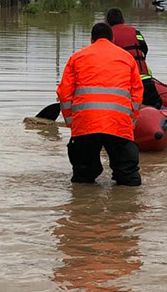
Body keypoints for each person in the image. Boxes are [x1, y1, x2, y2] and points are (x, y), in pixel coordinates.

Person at [57, 22, 144, 186]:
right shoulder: (127, 58)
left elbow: (64, 92)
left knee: (83, 176)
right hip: (118, 123)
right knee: (128, 177)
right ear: (113, 39)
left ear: (91, 39)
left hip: (86, 123)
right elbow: (137, 93)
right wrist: (130, 121)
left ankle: (83, 206)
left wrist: (71, 122)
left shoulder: (77, 57)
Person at [105, 8, 161, 108]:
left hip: (125, 82)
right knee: (156, 105)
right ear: (123, 20)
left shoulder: (107, 36)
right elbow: (144, 49)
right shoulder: (135, 32)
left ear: (107, 22)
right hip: (145, 79)